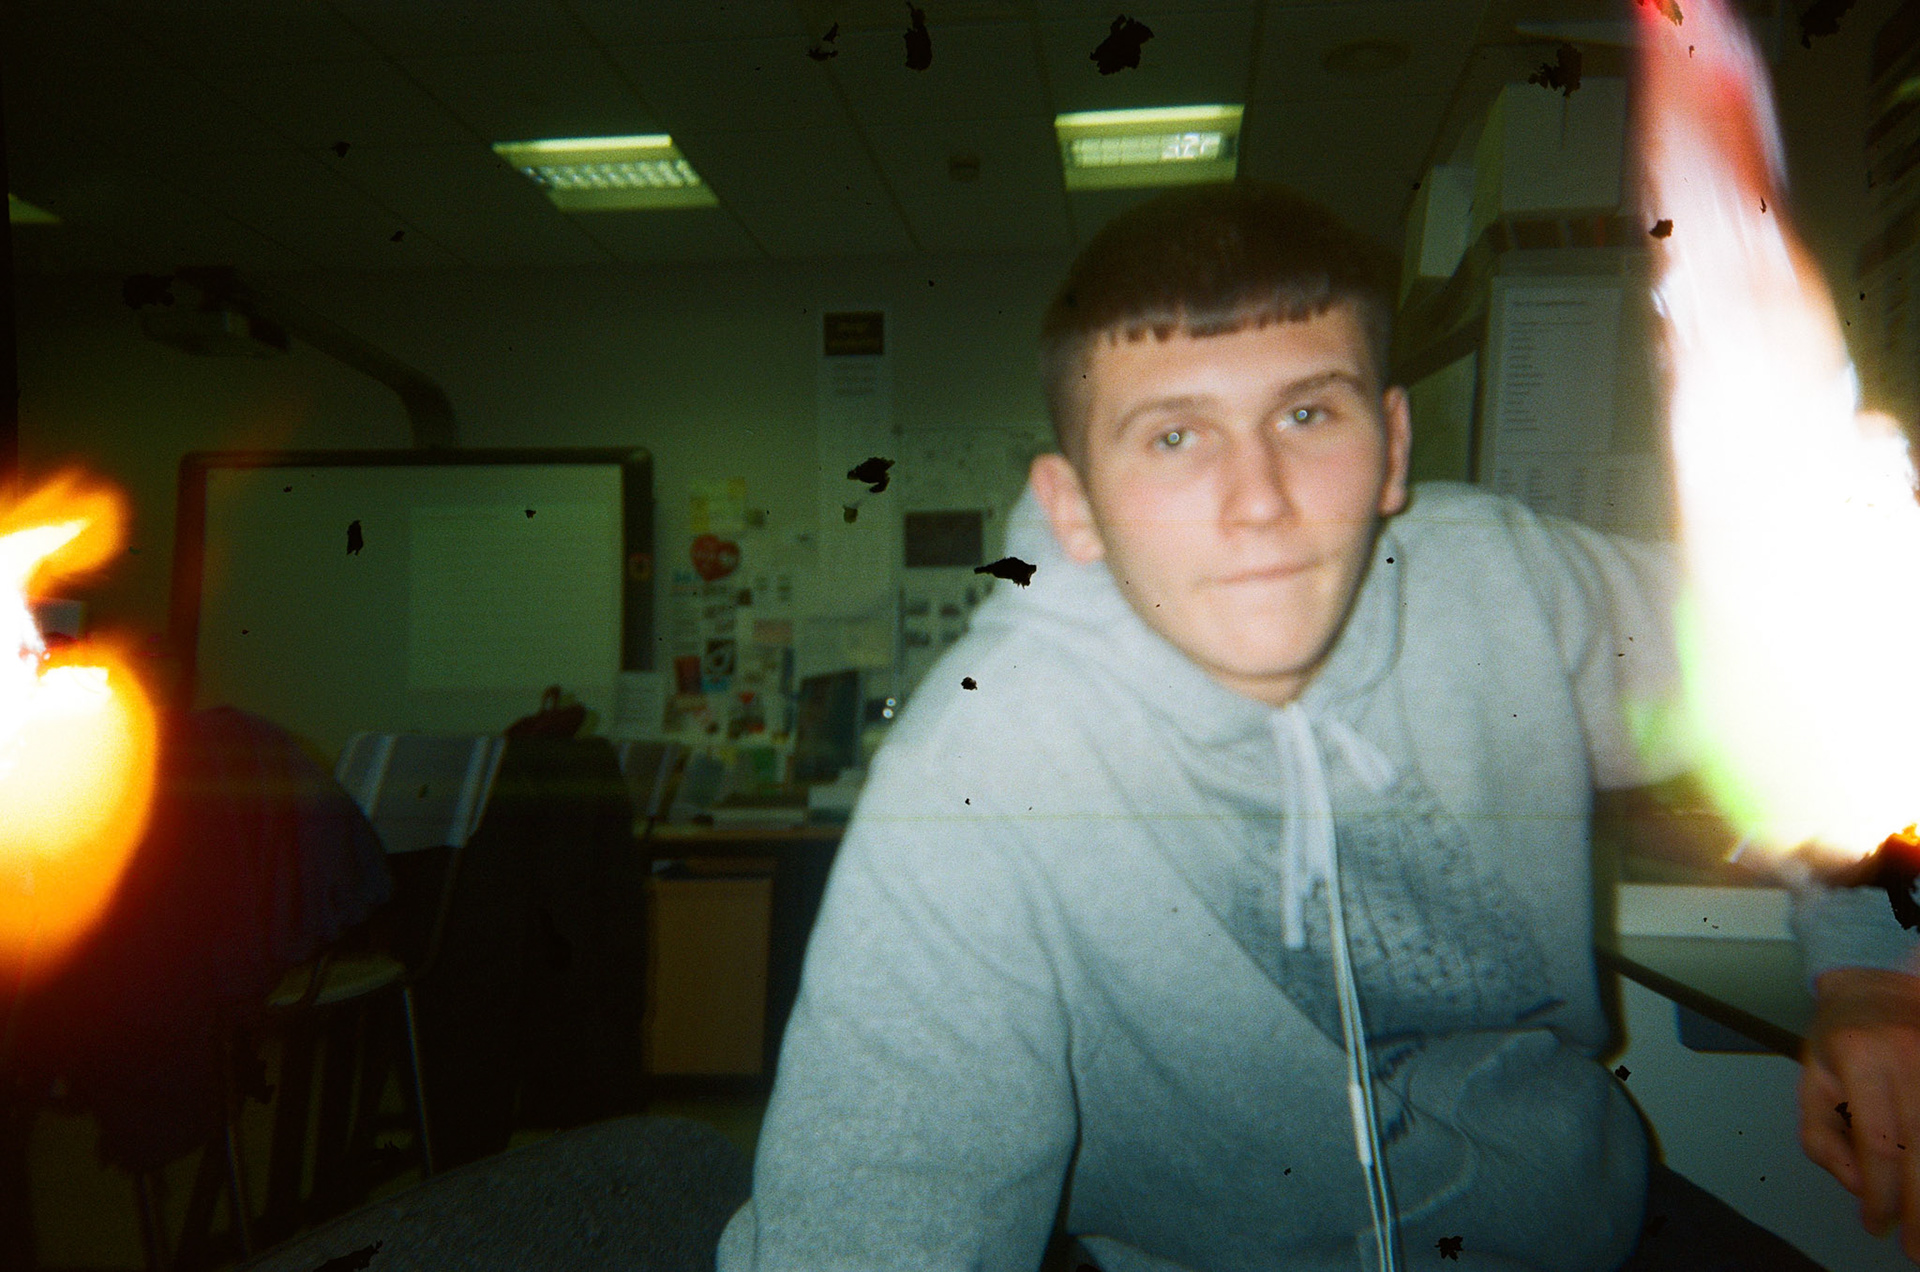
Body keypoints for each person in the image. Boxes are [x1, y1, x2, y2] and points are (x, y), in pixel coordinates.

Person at [715, 181, 1920, 1270]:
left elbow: (1848, 648)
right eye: (1174, 436)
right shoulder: (982, 768)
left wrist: (1874, 962)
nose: (1258, 502)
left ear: (1392, 447)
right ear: (1073, 507)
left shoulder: (1499, 585)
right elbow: (876, 1208)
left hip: (1574, 1235)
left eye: (1306, 415)